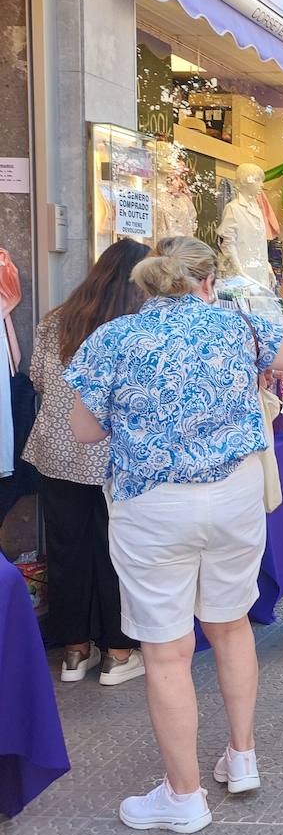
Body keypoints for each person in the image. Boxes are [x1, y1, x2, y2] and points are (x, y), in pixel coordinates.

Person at [64, 236, 283, 834]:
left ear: (147, 284)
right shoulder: (236, 327)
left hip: (153, 504)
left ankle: (183, 796)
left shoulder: (113, 337)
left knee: (167, 649)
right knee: (232, 622)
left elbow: (83, 432)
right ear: (207, 281)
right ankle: (241, 757)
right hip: (235, 497)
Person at [25, 239, 150, 688]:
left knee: (66, 551)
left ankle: (74, 651)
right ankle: (118, 653)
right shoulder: (135, 328)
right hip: (115, 458)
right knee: (117, 553)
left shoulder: (56, 319)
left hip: (55, 453)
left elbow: (38, 378)